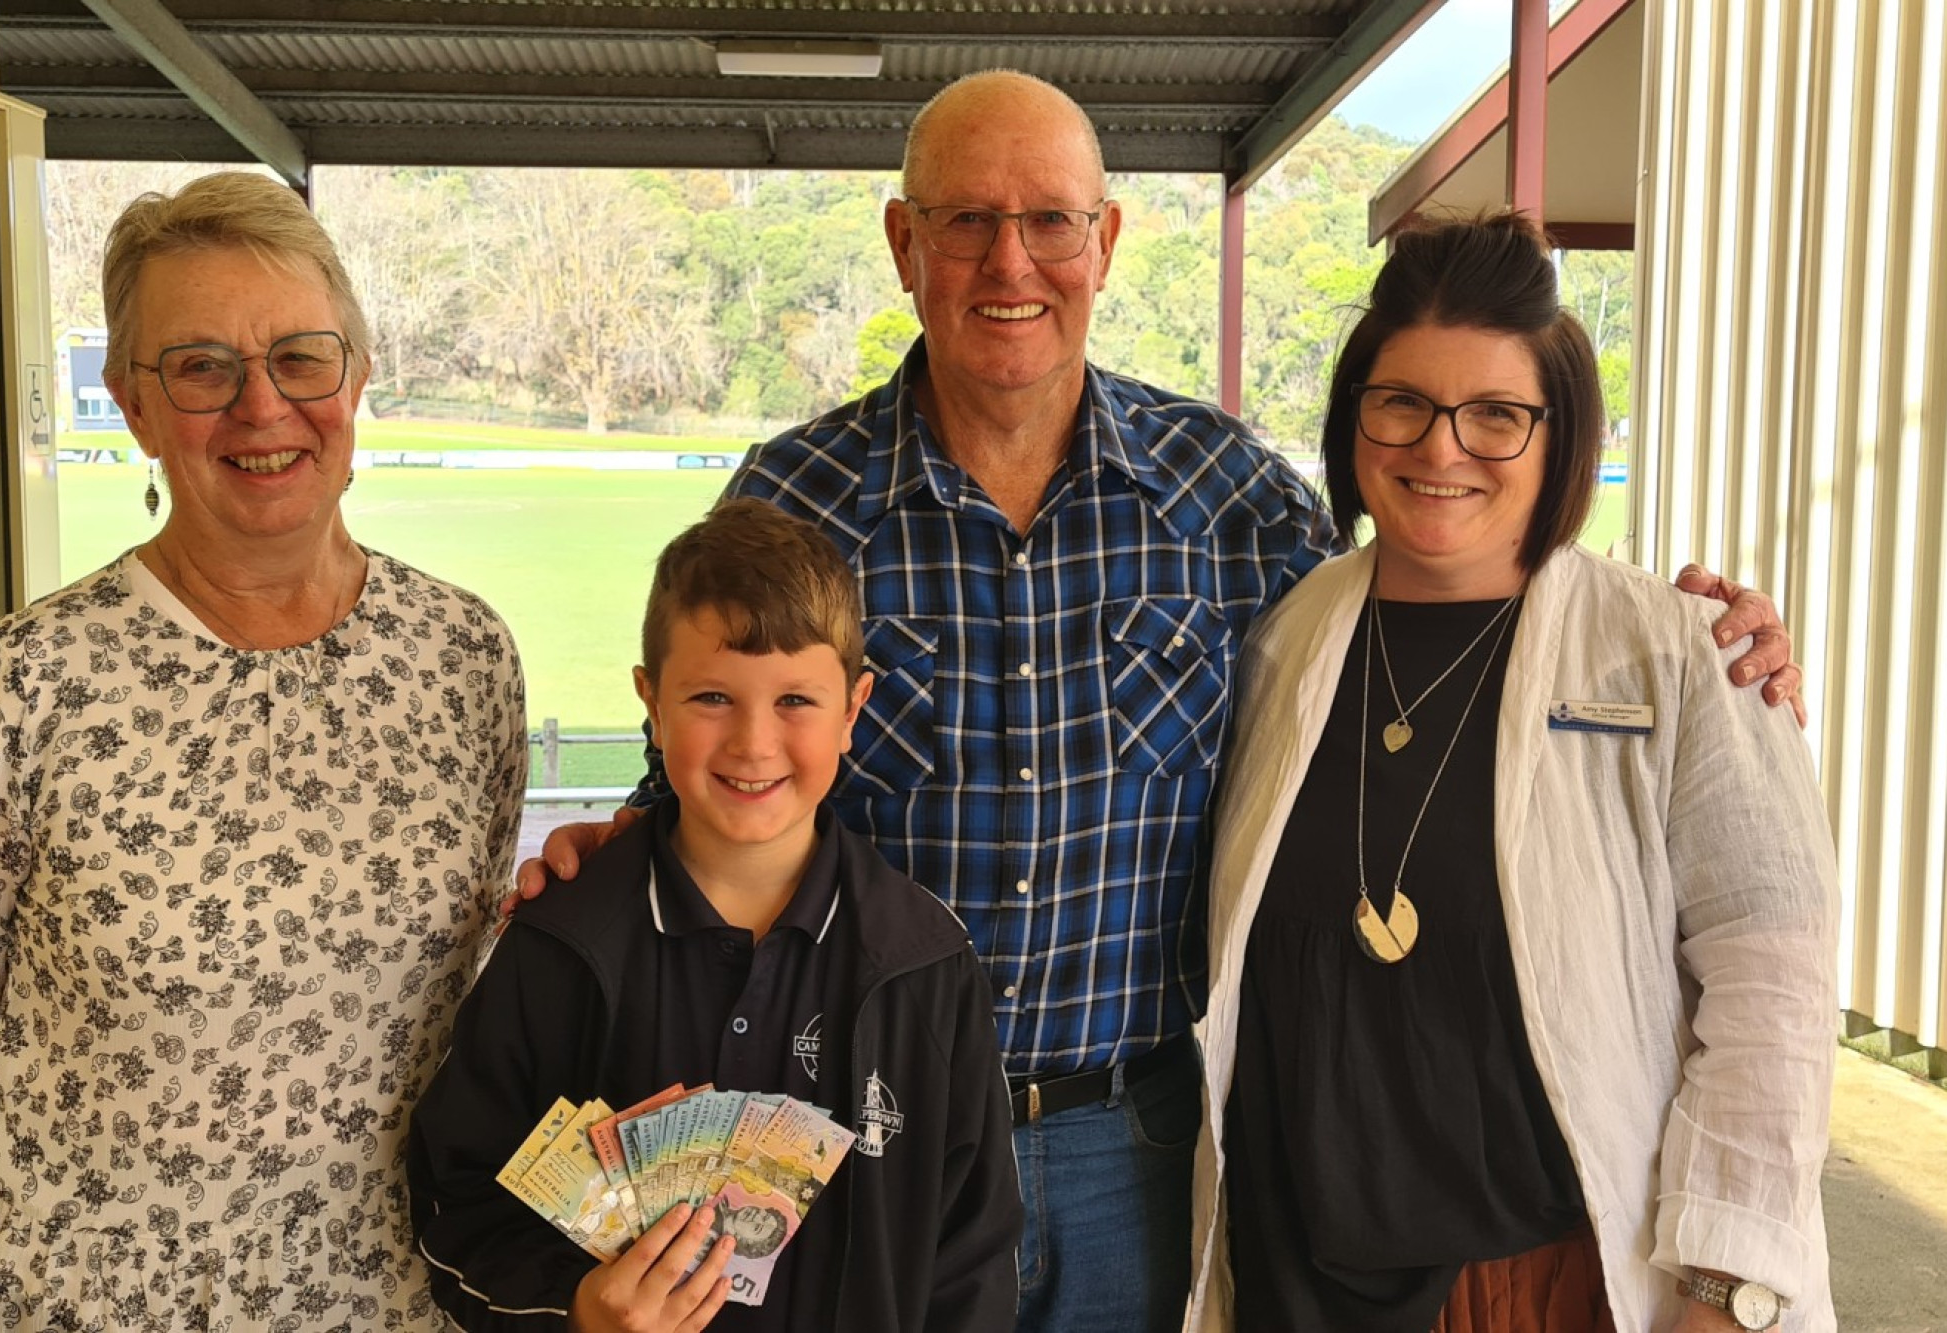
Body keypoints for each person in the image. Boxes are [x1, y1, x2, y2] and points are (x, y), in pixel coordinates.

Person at [518, 71, 1803, 1333]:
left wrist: (1697, 639)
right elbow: (705, 764)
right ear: (905, 244)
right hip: (870, 1131)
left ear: (1106, 241)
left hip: (1130, 1145)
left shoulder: (1228, 500)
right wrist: (613, 843)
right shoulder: (794, 497)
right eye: (965, 220)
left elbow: (1439, 595)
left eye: (1049, 221)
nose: (1007, 261)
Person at [1186, 213, 1837, 1332]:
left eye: (1496, 414)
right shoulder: (1283, 638)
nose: (1439, 449)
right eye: (1401, 403)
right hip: (1294, 1270)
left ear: (1560, 435)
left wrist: (1723, 1286)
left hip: (1547, 1275)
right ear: (1352, 422)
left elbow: (1770, 985)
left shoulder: (1679, 650)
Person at [0, 172, 528, 1327]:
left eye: (301, 357)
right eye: (202, 367)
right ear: (133, 402)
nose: (262, 407)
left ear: (357, 376)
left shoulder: (463, 659)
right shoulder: (11, 691)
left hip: (384, 1297)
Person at [407, 499, 1021, 1333]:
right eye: (711, 697)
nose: (754, 743)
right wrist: (578, 1304)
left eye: (796, 701)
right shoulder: (561, 945)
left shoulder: (923, 964)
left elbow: (973, 1258)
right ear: (650, 703)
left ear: (855, 709)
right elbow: (459, 1195)